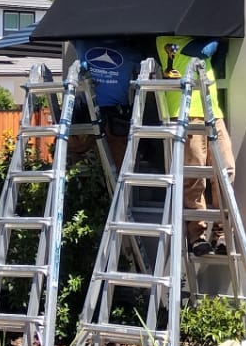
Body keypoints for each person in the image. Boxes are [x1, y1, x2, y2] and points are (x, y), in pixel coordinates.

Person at [156, 35, 235, 256]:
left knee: (226, 171)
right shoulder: (167, 39)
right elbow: (206, 49)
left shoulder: (195, 35)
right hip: (186, 114)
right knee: (194, 178)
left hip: (212, 114)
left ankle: (221, 235)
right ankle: (197, 237)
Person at [71, 38, 146, 170]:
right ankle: (119, 186)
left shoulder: (83, 42)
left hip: (90, 114)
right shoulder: (132, 51)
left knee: (74, 151)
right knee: (120, 164)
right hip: (110, 117)